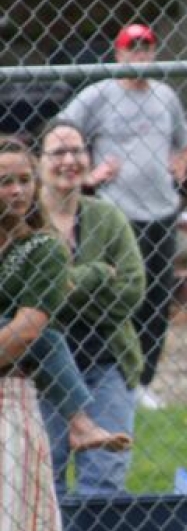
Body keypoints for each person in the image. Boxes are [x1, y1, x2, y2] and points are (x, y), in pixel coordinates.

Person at [57, 23, 187, 410]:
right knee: (121, 298)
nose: (140, 55)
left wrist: (177, 169)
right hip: (118, 215)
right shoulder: (99, 95)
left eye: (146, 48)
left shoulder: (165, 96)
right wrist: (88, 176)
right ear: (118, 54)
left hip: (162, 212)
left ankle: (144, 381)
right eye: (132, 48)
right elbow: (61, 133)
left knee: (157, 298)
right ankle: (119, 376)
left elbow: (184, 142)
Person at [34, 120, 145, 496]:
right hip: (41, 371)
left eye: (77, 151)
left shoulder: (108, 217)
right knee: (45, 481)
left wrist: (61, 292)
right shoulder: (24, 223)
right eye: (58, 152)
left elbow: (131, 290)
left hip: (107, 361)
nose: (69, 160)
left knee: (106, 481)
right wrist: (98, 274)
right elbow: (27, 296)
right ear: (39, 162)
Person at [0, 137, 68, 531]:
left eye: (25, 179)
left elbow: (25, 332)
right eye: (5, 181)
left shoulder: (43, 248)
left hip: (10, 400)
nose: (17, 190)